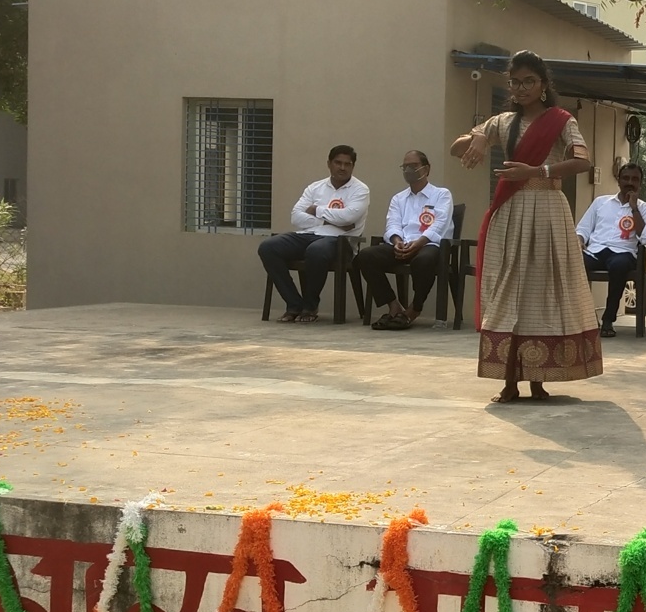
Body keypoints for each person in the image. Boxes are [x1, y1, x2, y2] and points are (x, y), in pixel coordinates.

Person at [449, 50, 602, 402]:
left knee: (542, 291)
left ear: (543, 84)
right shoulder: (502, 122)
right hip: (510, 211)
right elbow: (457, 149)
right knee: (507, 290)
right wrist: (477, 137)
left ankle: (539, 378)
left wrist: (537, 171)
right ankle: (509, 380)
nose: (521, 88)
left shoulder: (561, 121)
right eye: (515, 82)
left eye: (528, 81)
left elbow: (582, 162)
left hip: (547, 210)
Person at [258, 145, 370, 323]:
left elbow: (349, 217)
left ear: (353, 166)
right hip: (308, 235)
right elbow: (296, 217)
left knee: (316, 250)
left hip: (340, 242)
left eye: (347, 164)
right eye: (338, 163)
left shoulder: (360, 190)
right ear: (329, 164)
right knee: (268, 247)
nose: (342, 168)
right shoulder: (315, 187)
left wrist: (316, 210)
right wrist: (326, 221)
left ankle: (310, 306)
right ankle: (294, 304)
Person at [355, 149, 452, 331]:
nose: (409, 170)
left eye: (414, 166)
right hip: (402, 244)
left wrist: (419, 243)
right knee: (366, 256)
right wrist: (397, 241)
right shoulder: (398, 198)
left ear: (426, 169)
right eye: (405, 167)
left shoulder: (441, 194)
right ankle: (393, 305)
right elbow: (392, 223)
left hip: (428, 245)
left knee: (423, 260)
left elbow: (440, 224)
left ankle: (414, 308)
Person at [577, 162, 646, 337]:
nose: (630, 182)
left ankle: (608, 319)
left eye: (635, 179)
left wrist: (634, 208)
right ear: (618, 180)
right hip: (596, 251)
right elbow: (583, 229)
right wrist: (579, 240)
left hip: (623, 253)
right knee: (574, 263)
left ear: (640, 183)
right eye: (626, 178)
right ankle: (587, 316)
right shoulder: (601, 202)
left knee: (619, 265)